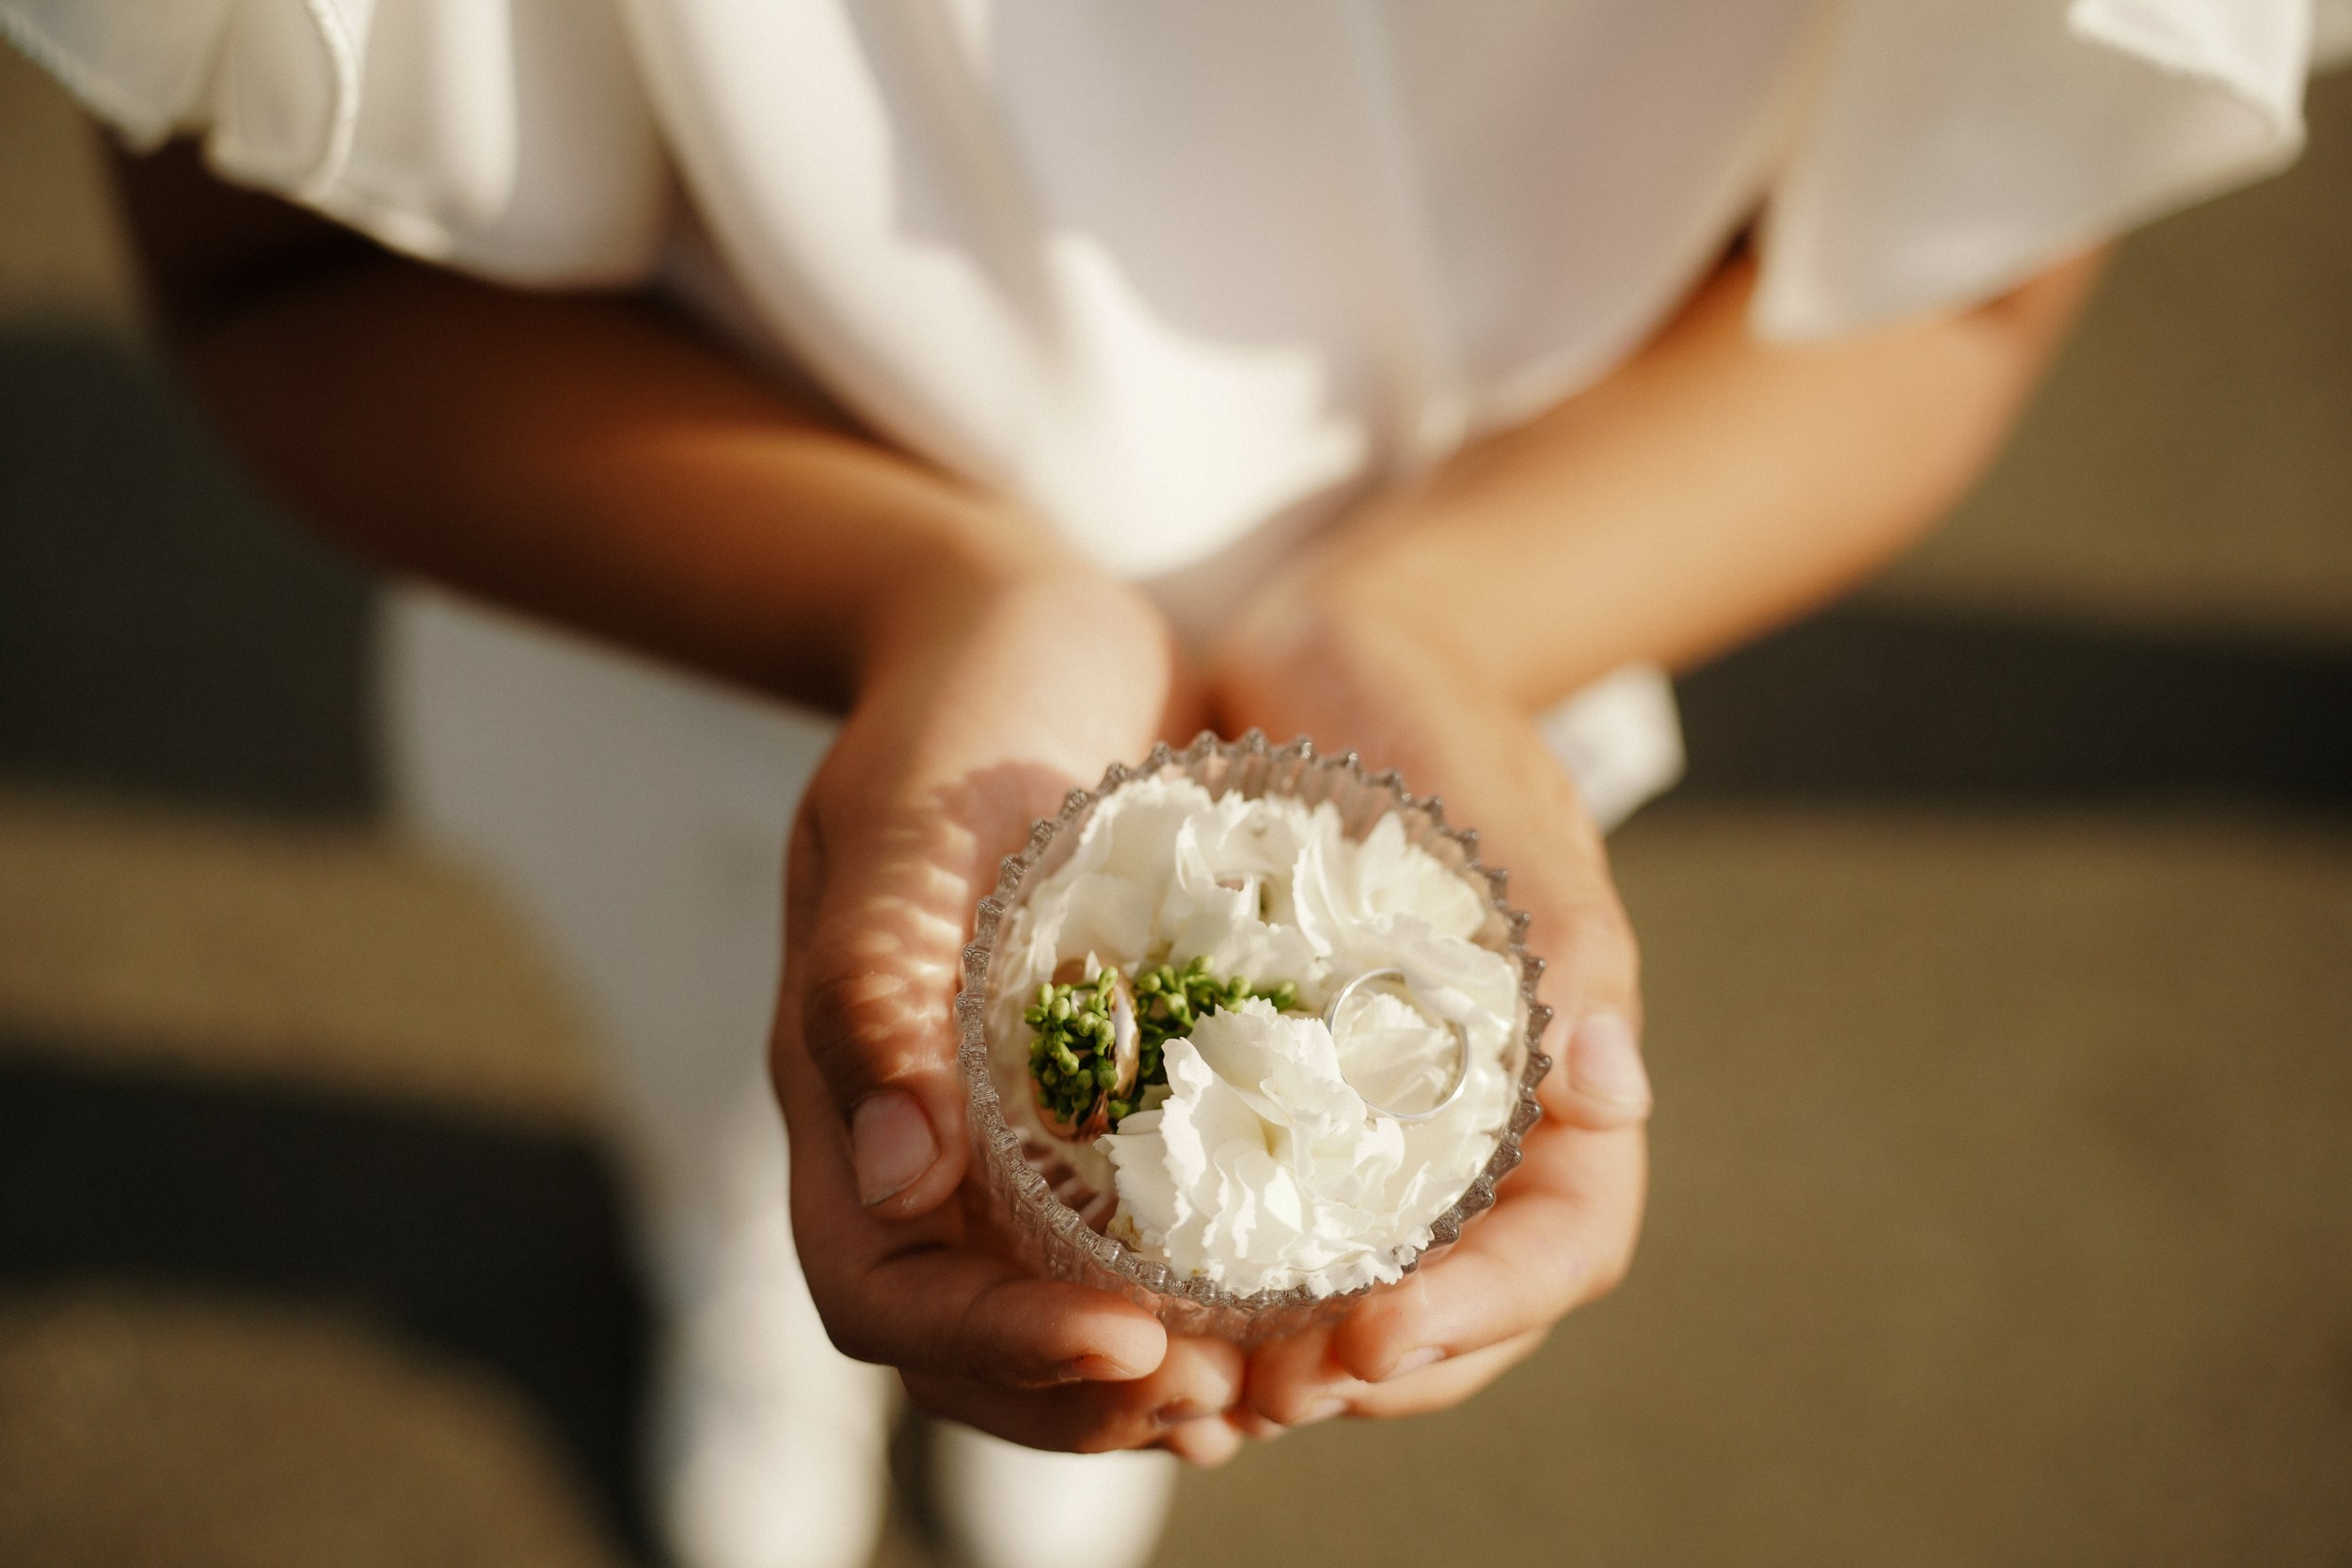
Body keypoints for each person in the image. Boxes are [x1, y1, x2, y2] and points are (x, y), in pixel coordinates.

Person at [7, 3, 2337, 1565]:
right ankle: (730, 1263)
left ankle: (1018, 1349)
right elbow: (273, 279)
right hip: (685, 562)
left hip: (1461, 628)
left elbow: (1956, 283)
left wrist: (1425, 637)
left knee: (964, 1170)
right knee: (720, 1034)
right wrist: (934, 602)